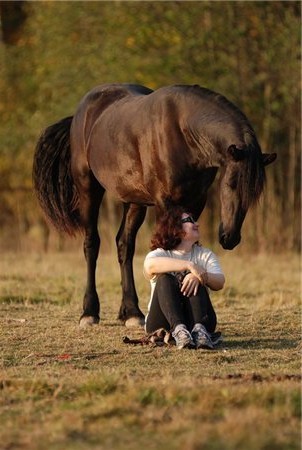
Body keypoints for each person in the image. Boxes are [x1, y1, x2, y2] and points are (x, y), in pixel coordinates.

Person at [143, 206, 225, 349]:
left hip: (200, 319)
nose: (197, 224)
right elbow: (150, 266)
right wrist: (189, 265)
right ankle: (178, 330)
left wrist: (199, 276)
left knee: (196, 278)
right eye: (189, 220)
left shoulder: (205, 254)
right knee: (165, 279)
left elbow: (220, 281)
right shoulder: (160, 254)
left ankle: (200, 332)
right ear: (174, 227)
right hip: (161, 322)